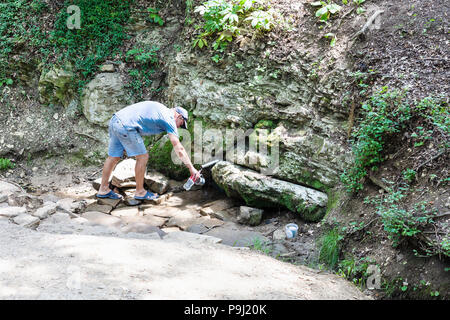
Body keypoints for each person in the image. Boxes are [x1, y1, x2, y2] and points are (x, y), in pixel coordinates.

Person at [96, 101, 200, 201]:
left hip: (116, 120)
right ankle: (140, 192)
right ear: (179, 116)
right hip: (126, 126)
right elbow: (178, 147)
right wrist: (191, 168)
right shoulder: (169, 119)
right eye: (181, 124)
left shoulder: (161, 109)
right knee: (142, 157)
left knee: (113, 157)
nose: (178, 127)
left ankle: (103, 189)